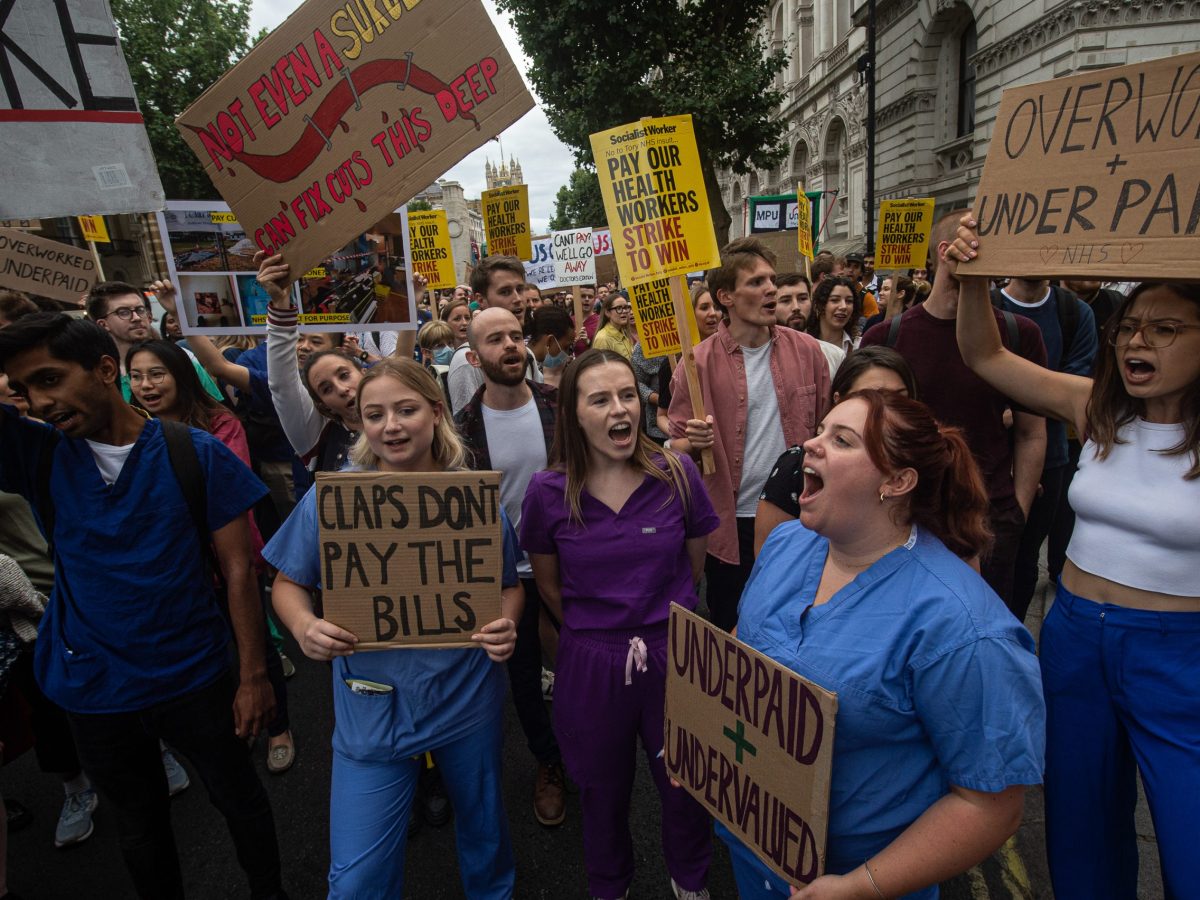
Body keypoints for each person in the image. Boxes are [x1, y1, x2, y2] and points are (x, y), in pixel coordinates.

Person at [950, 218, 1200, 900]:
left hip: (1182, 656)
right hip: (1075, 638)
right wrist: (975, 280)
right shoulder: (1096, 409)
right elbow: (984, 355)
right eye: (1130, 327)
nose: (1136, 340)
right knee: (1081, 826)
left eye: (1164, 329)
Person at [0, 314, 286, 900]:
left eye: (52, 379)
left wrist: (254, 677)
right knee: (140, 828)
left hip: (194, 674)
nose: (41, 402)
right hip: (94, 688)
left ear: (107, 370)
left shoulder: (194, 452)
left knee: (240, 799)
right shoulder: (41, 455)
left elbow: (239, 570)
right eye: (27, 389)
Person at [724, 389, 1045, 899]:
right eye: (820, 429)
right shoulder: (786, 545)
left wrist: (859, 887)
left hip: (861, 881)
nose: (811, 444)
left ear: (897, 481)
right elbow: (743, 651)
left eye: (842, 439)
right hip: (753, 847)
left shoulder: (961, 628)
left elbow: (991, 804)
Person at [264, 358, 522, 899]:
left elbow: (507, 584)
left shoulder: (471, 498)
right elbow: (286, 585)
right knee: (357, 880)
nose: (392, 426)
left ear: (434, 412)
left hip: (465, 697)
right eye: (374, 414)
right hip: (372, 712)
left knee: (486, 832)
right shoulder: (334, 499)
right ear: (360, 422)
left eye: (406, 410)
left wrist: (506, 625)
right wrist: (305, 625)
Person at [521, 349, 718, 900]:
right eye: (600, 399)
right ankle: (611, 887)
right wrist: (600, 631)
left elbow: (692, 564)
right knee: (600, 793)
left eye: (627, 394)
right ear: (574, 414)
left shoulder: (676, 474)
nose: (619, 409)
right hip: (589, 660)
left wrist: (654, 619)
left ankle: (692, 882)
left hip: (674, 652)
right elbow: (549, 587)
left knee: (686, 786)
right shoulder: (546, 492)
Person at [861, 213, 1048, 612]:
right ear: (946, 253)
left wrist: (1016, 510)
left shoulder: (1019, 336)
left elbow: (1033, 433)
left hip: (991, 518)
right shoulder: (886, 337)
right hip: (907, 513)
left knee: (987, 637)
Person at [125, 339, 295, 774]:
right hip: (175, 570)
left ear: (181, 376)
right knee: (208, 655)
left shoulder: (220, 424)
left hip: (231, 562)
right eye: (137, 376)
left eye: (157, 374)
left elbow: (223, 484)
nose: (146, 385)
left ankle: (278, 727)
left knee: (252, 645)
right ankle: (228, 728)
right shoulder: (124, 431)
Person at [668, 237, 830, 632]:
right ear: (725, 296)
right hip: (732, 523)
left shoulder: (808, 352)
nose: (771, 289)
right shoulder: (697, 365)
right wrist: (693, 442)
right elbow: (673, 448)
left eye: (772, 280)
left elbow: (826, 426)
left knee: (798, 623)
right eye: (757, 282)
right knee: (734, 628)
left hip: (799, 514)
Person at [454, 308, 566, 828]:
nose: (511, 346)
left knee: (578, 663)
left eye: (516, 336)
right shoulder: (459, 431)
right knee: (522, 676)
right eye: (496, 340)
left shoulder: (560, 406)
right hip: (505, 573)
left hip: (568, 561)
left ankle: (589, 749)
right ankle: (548, 761)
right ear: (475, 357)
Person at [993, 277, 1097, 623]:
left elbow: (1075, 384)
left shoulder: (1073, 312)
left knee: (1022, 558)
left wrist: (1022, 409)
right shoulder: (984, 305)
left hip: (1048, 457)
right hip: (987, 458)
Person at [753, 346, 918, 555]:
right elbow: (768, 565)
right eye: (869, 398)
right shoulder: (795, 470)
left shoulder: (934, 469)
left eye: (900, 399)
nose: (812, 447)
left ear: (900, 481)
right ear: (838, 401)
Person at [86, 281, 224, 404]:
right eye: (123, 312)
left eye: (140, 310)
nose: (136, 318)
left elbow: (218, 412)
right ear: (103, 324)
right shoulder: (101, 377)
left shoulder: (181, 358)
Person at [447, 257, 539, 413]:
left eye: (520, 289)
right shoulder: (466, 361)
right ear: (480, 299)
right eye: (505, 292)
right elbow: (466, 429)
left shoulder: (527, 354)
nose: (517, 299)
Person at [805, 276, 860, 354]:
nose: (843, 306)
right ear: (820, 305)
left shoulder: (859, 346)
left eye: (849, 301)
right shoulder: (803, 343)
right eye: (835, 300)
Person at [527, 305, 576, 389]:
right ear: (549, 341)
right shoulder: (525, 366)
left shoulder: (532, 364)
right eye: (566, 347)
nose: (567, 355)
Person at [591, 292, 636, 359]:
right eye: (619, 308)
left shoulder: (624, 331)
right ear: (607, 312)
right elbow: (601, 367)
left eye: (626, 307)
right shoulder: (603, 338)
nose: (624, 311)